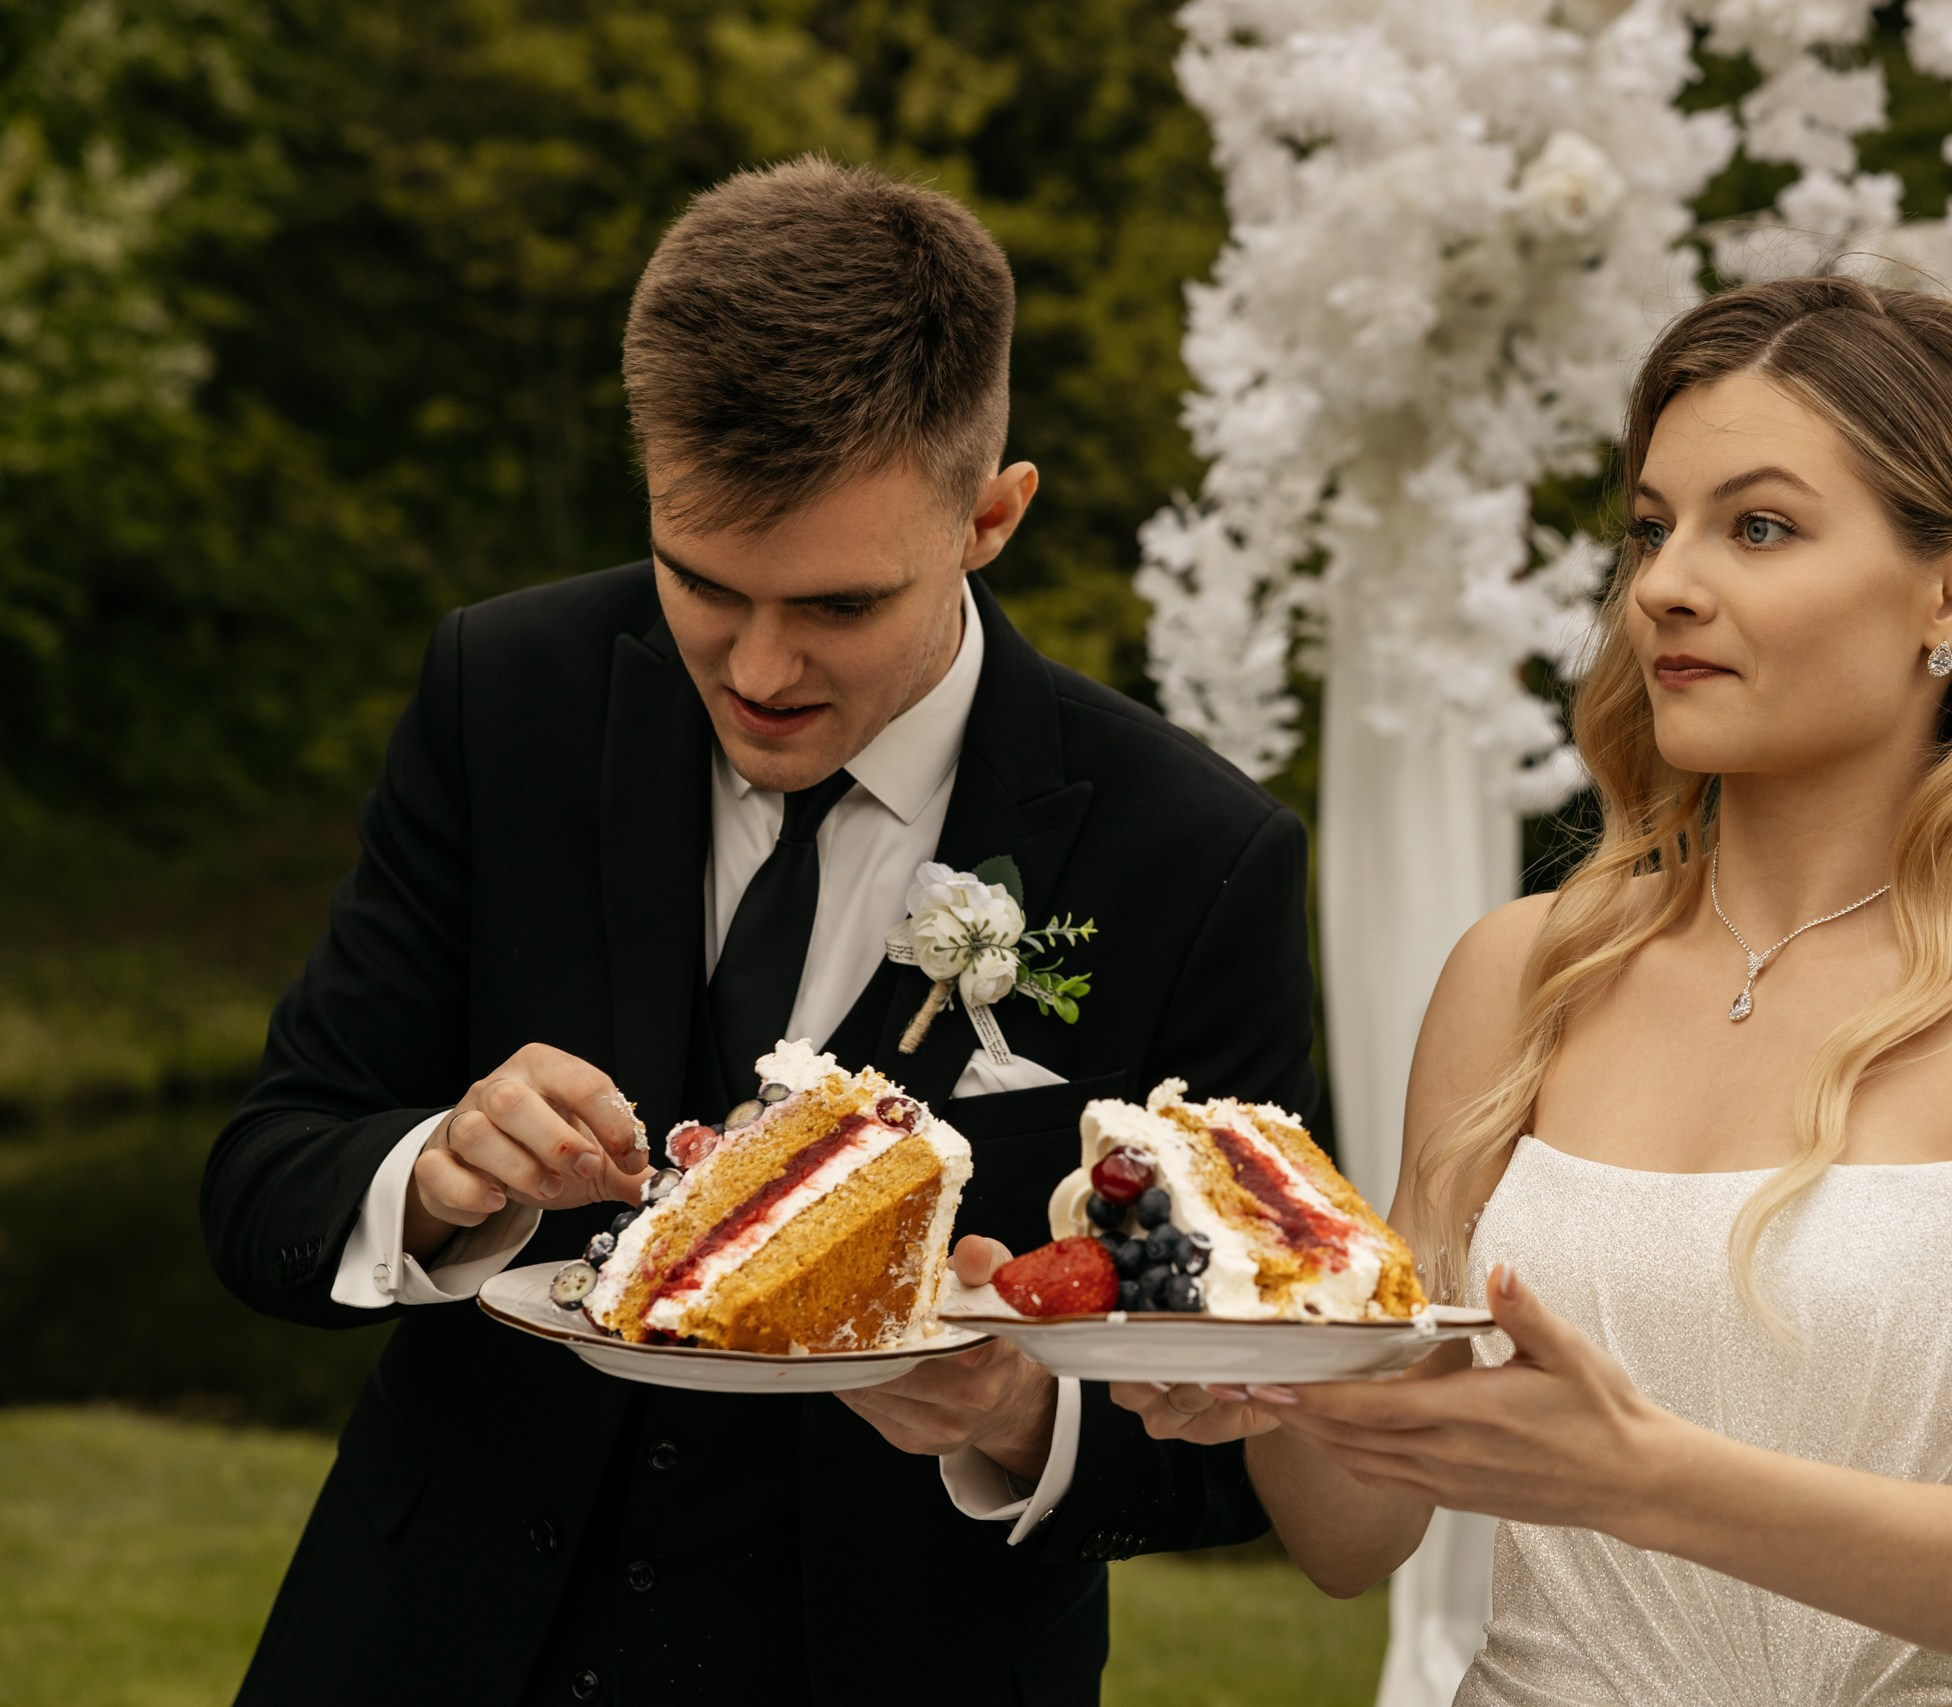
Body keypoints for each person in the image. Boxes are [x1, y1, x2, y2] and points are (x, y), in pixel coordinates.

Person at [201, 156, 1308, 1706]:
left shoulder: (1193, 854)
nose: (762, 668)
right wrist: (436, 1175)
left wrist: (1013, 1413)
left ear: (993, 515)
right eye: (701, 584)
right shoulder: (502, 696)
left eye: (841, 607)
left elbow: (1245, 1411)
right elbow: (265, 1177)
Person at [1119, 276, 1952, 1707]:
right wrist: (1253, 1370)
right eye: (1652, 528)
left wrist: (1651, 1481)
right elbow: (1354, 1537)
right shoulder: (1522, 971)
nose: (1663, 581)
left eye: (1761, 526)